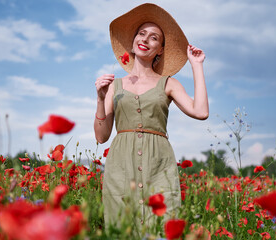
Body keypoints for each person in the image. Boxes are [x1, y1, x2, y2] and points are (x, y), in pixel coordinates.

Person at [94, 3, 209, 230]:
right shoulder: (114, 86)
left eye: (154, 37)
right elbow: (101, 136)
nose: (146, 39)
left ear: (161, 49)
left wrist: (196, 65)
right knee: (121, 229)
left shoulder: (169, 83)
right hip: (120, 167)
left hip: (159, 166)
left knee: (161, 227)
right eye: (142, 33)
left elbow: (201, 111)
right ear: (134, 42)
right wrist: (100, 98)